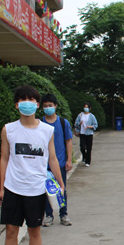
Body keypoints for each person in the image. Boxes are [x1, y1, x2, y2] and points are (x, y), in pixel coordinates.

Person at [0, 85, 65, 245]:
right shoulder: (8, 129)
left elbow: (52, 158)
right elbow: (4, 158)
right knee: (10, 231)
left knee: (35, 230)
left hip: (36, 188)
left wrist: (61, 183)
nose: (27, 103)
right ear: (17, 105)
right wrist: (2, 188)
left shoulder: (47, 130)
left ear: (37, 104)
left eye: (31, 100)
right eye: (23, 100)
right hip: (13, 187)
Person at [40, 93, 73, 226]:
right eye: (45, 106)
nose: (48, 108)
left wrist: (69, 159)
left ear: (55, 106)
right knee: (47, 192)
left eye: (50, 105)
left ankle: (63, 214)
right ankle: (49, 215)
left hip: (60, 163)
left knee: (61, 189)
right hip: (44, 165)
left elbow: (68, 142)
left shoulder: (63, 123)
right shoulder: (39, 123)